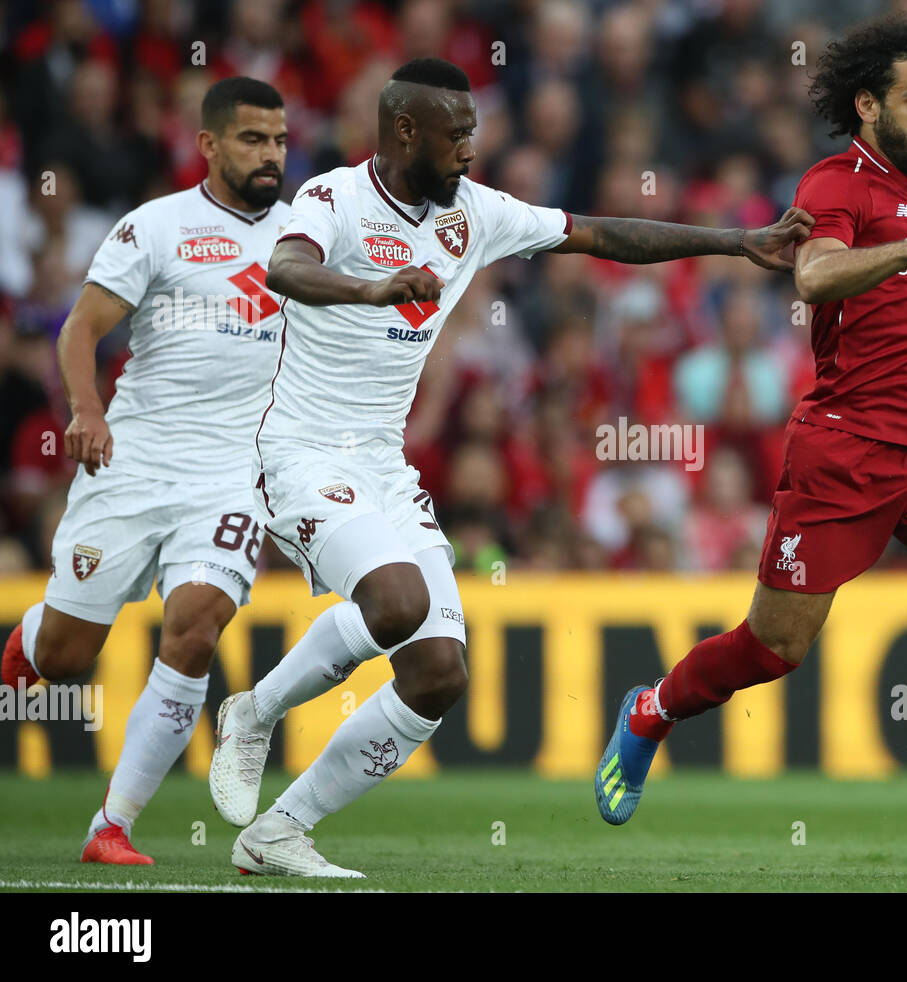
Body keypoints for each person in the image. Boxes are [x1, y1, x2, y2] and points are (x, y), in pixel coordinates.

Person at [207, 57, 811, 878]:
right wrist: (374, 289)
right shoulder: (333, 198)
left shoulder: (475, 214)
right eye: (455, 137)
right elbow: (285, 270)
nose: (468, 152)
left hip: (382, 461)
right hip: (301, 449)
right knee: (397, 599)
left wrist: (738, 243)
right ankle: (255, 713)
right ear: (405, 132)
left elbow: (599, 234)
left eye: (474, 135)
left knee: (437, 674)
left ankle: (278, 830)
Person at [596, 13, 907, 865]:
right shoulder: (836, 185)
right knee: (773, 647)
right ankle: (650, 712)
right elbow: (815, 273)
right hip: (844, 457)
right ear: (868, 105)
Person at [0, 77, 291, 865]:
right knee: (64, 656)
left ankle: (112, 827)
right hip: (133, 461)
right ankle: (26, 646)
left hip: (234, 475)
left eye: (279, 141)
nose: (270, 155)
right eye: (252, 140)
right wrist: (87, 411)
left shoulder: (307, 241)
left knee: (196, 625)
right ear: (208, 145)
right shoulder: (155, 227)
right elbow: (80, 328)